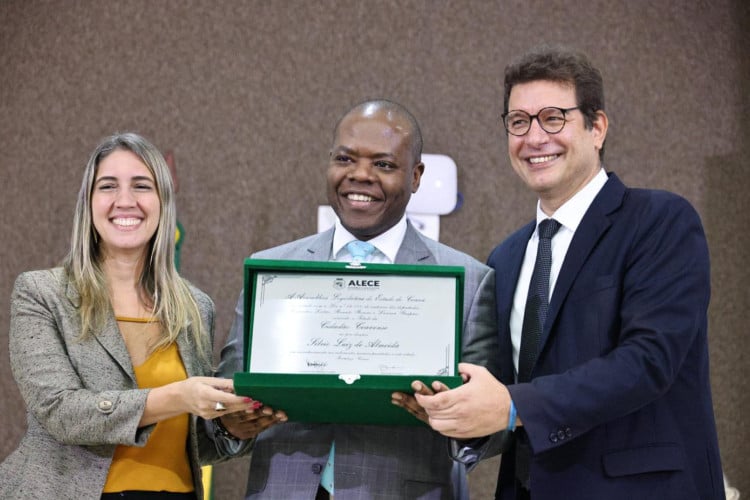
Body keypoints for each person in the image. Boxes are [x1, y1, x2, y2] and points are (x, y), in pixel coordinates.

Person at [414, 46, 725, 500]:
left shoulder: (660, 221)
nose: (534, 137)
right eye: (518, 122)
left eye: (553, 118)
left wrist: (512, 405)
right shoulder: (507, 255)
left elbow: (649, 361)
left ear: (597, 127)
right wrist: (458, 412)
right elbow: (502, 393)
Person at [212, 99, 500, 499]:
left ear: (415, 176)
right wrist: (230, 422)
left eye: (383, 164)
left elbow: (490, 427)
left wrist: (455, 419)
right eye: (345, 159)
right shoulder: (271, 271)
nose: (359, 175)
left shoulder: (470, 282)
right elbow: (227, 396)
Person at [0, 133, 255, 500]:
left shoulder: (194, 307)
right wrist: (181, 395)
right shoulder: (41, 294)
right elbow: (61, 412)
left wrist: (234, 428)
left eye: (141, 186)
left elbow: (190, 441)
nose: (125, 201)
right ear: (88, 202)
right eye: (108, 186)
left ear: (164, 203)